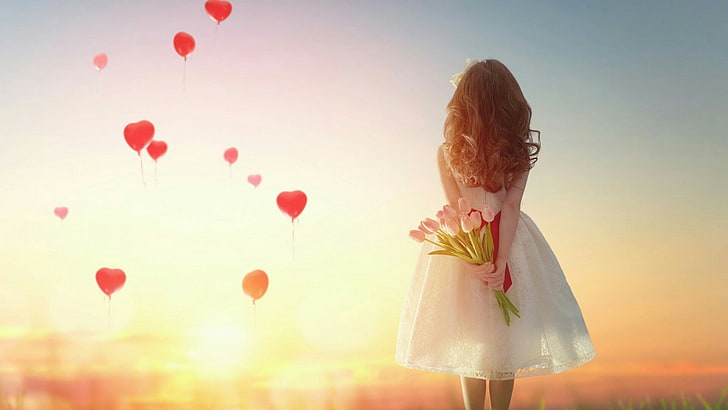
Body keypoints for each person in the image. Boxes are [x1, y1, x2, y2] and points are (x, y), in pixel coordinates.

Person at [395, 59, 596, 410]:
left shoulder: (447, 152)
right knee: (504, 335)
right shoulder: (516, 151)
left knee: (471, 332)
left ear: (463, 103)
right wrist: (502, 260)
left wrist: (475, 259)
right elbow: (512, 206)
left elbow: (458, 208)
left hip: (467, 239)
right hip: (511, 240)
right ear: (509, 102)